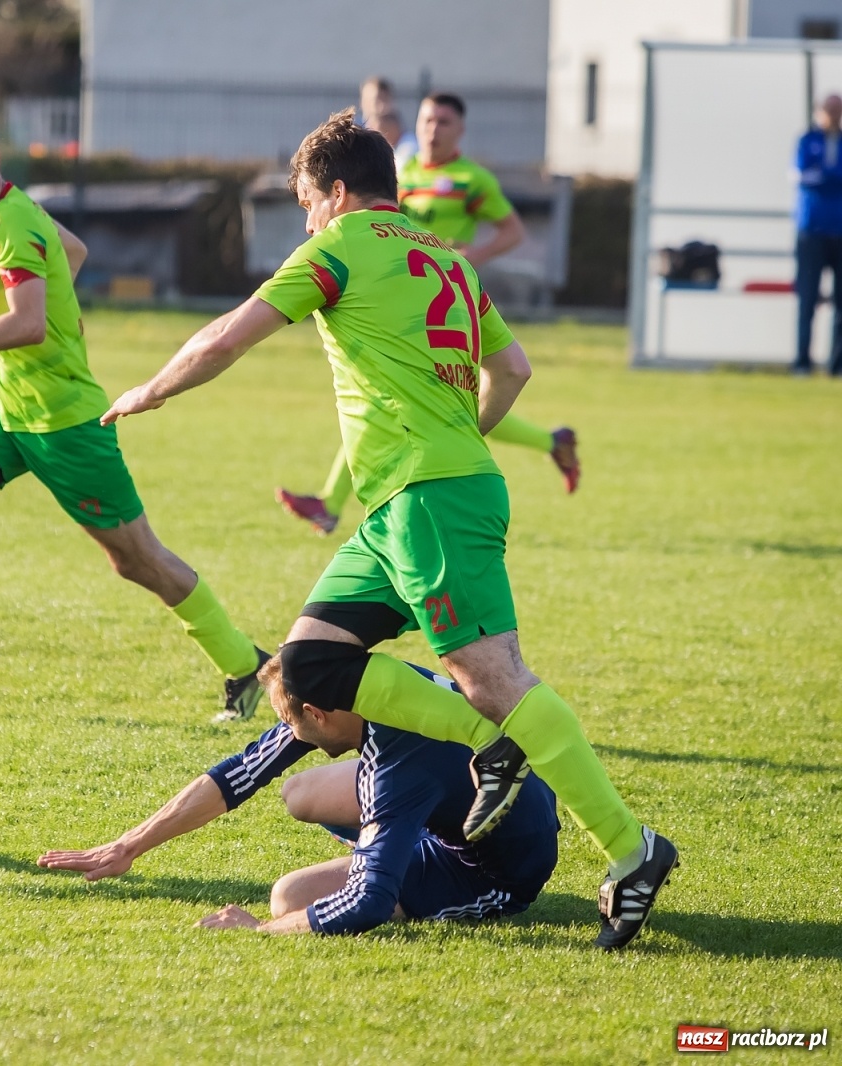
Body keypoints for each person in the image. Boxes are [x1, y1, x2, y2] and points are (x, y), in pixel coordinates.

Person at [97, 110, 676, 949]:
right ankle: (493, 744)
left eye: (306, 202)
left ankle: (630, 849)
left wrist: (149, 390)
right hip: (404, 507)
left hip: (429, 498)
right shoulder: (446, 256)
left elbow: (229, 336)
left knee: (492, 679)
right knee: (309, 667)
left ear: (336, 192)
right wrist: (465, 434)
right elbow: (510, 369)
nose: (304, 222)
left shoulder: (339, 249)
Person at [0, 111, 269, 721]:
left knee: (137, 559)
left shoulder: (8, 221)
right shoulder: (3, 214)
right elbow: (74, 249)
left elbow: (29, 323)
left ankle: (248, 666)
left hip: (65, 422)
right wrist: (59, 299)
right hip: (12, 409)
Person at [40, 650, 560, 938]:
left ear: (316, 713)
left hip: (493, 870)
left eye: (290, 722)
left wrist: (261, 929)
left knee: (289, 897)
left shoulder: (396, 771)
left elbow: (368, 904)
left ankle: (404, 855)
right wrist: (129, 846)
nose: (288, 734)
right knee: (299, 791)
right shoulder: (366, 688)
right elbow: (240, 773)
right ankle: (399, 841)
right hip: (481, 796)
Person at [278, 91, 576, 535]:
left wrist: (469, 256)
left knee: (415, 396)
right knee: (389, 391)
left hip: (441, 297)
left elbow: (512, 231)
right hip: (386, 298)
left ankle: (332, 503)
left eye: (443, 122)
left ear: (461, 130)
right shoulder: (400, 170)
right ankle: (332, 502)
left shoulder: (471, 179)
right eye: (426, 120)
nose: (432, 130)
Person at [793, 93, 842, 376]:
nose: (833, 115)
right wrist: (831, 175)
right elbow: (802, 176)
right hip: (811, 231)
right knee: (808, 298)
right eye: (829, 110)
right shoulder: (807, 140)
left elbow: (821, 176)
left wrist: (825, 175)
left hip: (839, 230)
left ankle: (836, 366)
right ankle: (802, 363)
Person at [359, 77, 417, 170]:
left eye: (383, 99)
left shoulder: (410, 149)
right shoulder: (356, 138)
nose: (380, 107)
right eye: (372, 101)